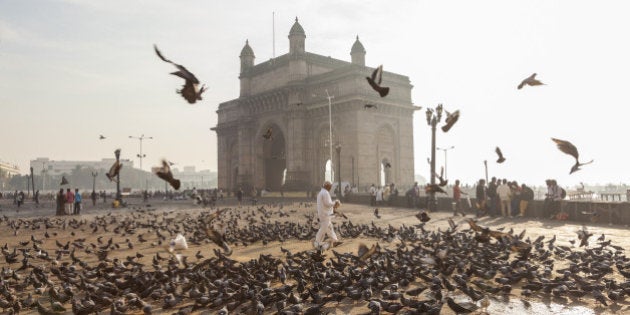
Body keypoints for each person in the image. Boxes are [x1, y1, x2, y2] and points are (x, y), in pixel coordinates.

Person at [314, 181, 342, 251]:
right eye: (330, 187)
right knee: (323, 229)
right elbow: (328, 203)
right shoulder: (325, 193)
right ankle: (317, 243)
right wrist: (335, 202)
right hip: (325, 214)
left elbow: (326, 204)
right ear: (327, 186)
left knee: (329, 228)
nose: (330, 188)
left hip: (323, 213)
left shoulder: (321, 193)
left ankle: (335, 241)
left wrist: (333, 205)